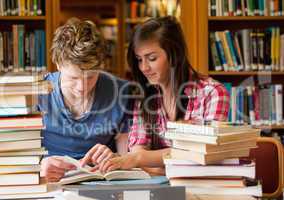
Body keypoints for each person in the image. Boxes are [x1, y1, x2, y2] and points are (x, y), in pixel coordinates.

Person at [93, 16, 230, 173]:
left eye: (152, 58)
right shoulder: (146, 96)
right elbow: (137, 151)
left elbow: (204, 153)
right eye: (139, 60)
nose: (143, 68)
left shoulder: (213, 93)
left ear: (174, 54)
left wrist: (143, 160)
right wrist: (169, 160)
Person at [39, 18, 132, 182]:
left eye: (90, 76)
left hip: (101, 183)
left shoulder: (121, 93)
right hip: (50, 183)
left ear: (102, 65)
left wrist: (116, 158)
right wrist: (38, 166)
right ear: (58, 64)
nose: (82, 87)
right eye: (73, 77)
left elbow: (128, 158)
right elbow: (9, 158)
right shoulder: (37, 94)